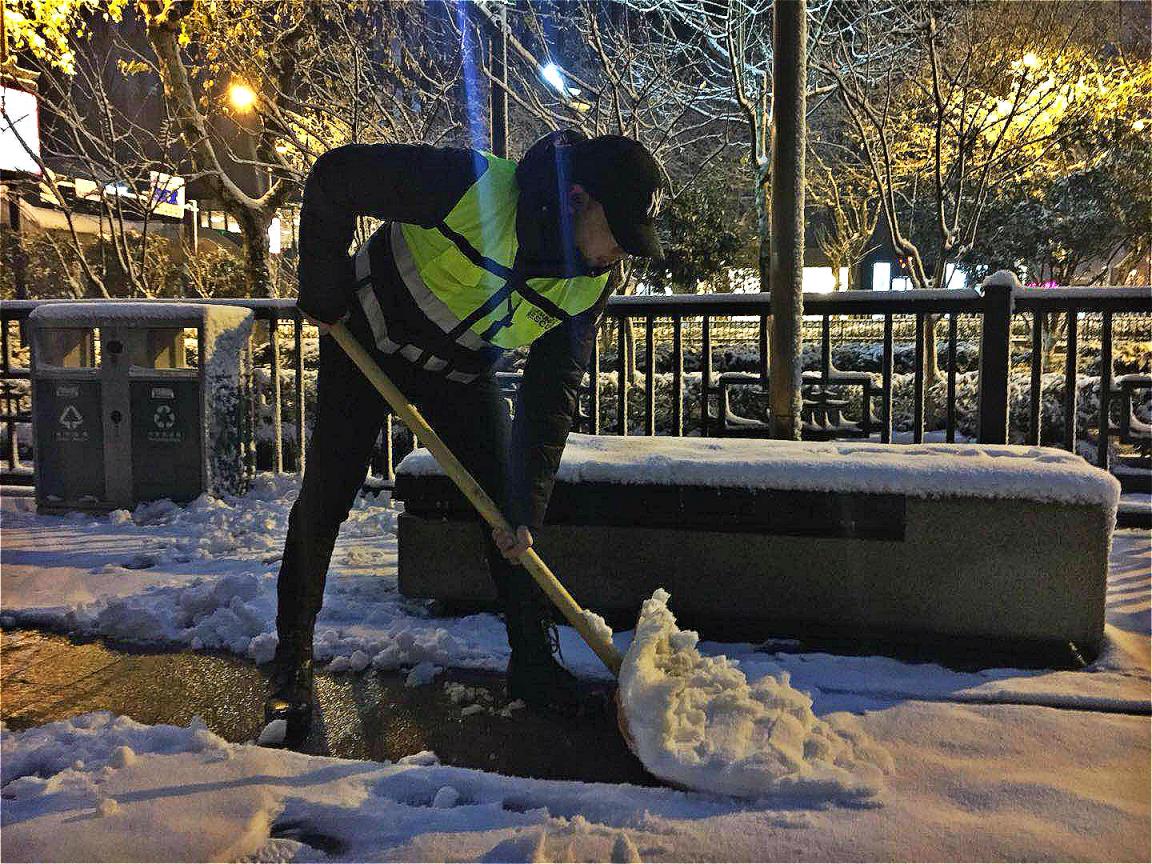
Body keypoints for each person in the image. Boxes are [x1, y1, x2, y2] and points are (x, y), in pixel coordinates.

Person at [265, 129, 664, 737]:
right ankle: (292, 658)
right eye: (618, 234)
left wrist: (526, 507)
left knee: (508, 512)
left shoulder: (592, 281)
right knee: (326, 497)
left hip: (459, 372)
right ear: (577, 198)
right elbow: (336, 177)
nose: (619, 255)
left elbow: (552, 392)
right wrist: (322, 284)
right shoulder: (473, 188)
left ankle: (534, 667)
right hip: (366, 338)